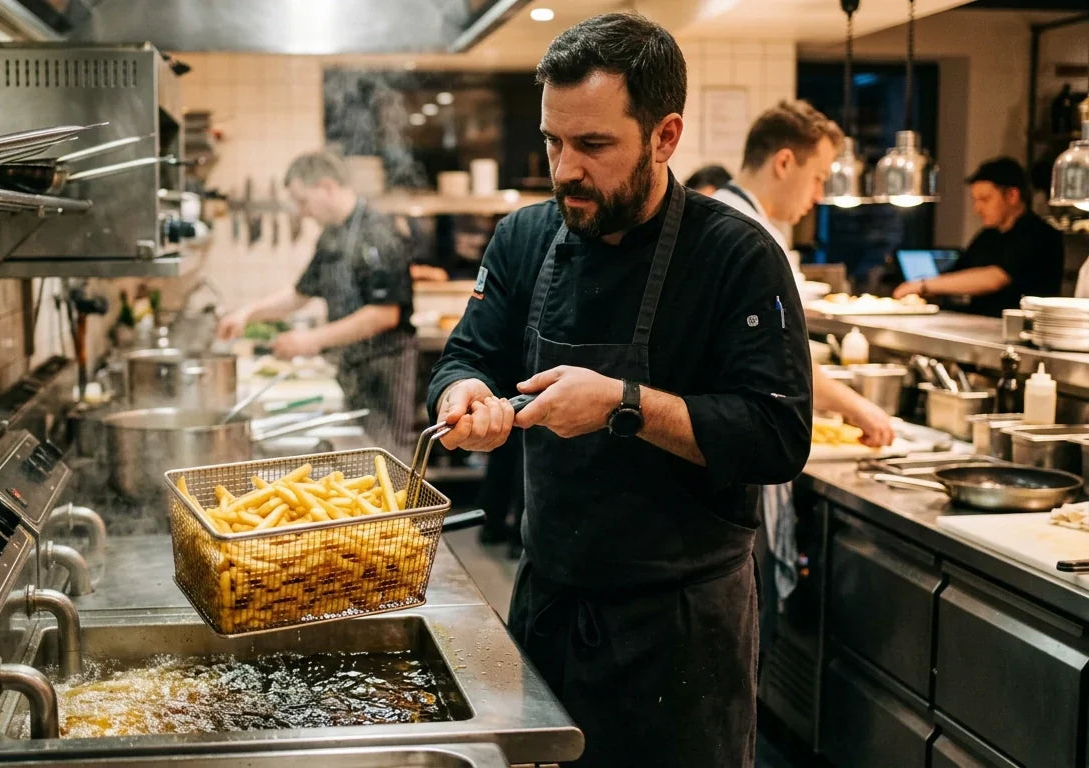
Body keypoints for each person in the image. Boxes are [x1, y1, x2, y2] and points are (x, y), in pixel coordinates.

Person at [427, 12, 813, 766]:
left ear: (664, 136)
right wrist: (463, 395)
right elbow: (466, 353)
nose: (565, 167)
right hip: (549, 606)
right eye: (553, 141)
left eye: (593, 145)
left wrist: (622, 405)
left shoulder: (736, 257)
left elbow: (776, 434)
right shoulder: (524, 238)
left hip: (681, 634)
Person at [713, 100, 895, 448]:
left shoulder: (713, 215)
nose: (818, 195)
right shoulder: (757, 240)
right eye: (818, 178)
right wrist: (857, 407)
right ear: (783, 163)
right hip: (742, 432)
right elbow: (784, 361)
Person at [217, 151, 417, 454]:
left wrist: (312, 339)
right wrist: (247, 313)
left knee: (389, 455)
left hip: (385, 368)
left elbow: (384, 313)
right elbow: (300, 293)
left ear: (326, 186)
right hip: (351, 365)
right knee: (362, 451)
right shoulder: (331, 236)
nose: (301, 212)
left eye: (303, 201)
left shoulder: (378, 230)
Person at [894, 157, 1065, 316]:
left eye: (985, 199)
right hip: (981, 327)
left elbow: (994, 279)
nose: (977, 208)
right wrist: (919, 291)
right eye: (975, 200)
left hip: (1024, 332)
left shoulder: (1040, 234)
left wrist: (922, 286)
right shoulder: (988, 236)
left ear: (1013, 195)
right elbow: (958, 273)